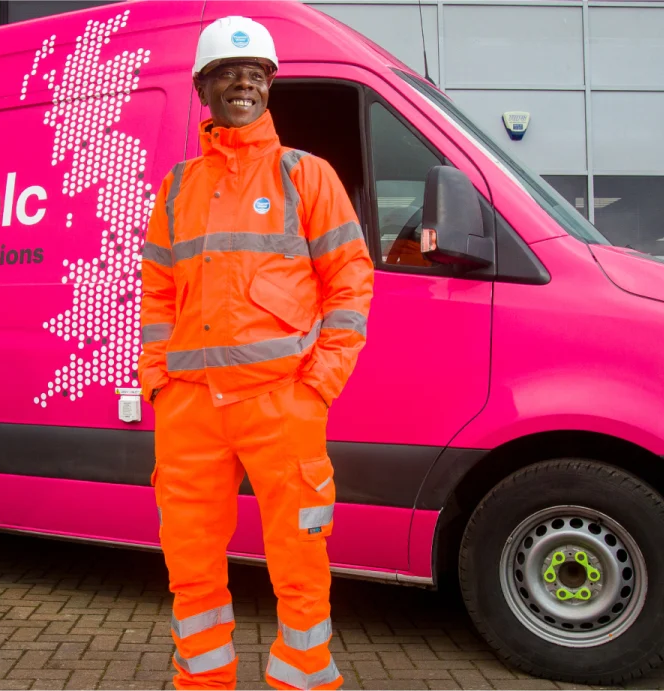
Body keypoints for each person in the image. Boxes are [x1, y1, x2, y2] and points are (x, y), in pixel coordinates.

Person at [137, 15, 375, 691]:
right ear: (202, 90)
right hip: (190, 410)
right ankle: (203, 682)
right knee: (189, 563)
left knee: (299, 560)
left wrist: (319, 383)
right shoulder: (177, 187)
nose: (242, 84)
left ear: (269, 86)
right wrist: (158, 380)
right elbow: (157, 292)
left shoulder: (306, 175)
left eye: (255, 75)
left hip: (282, 401)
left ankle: (302, 680)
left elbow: (351, 282)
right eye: (227, 75)